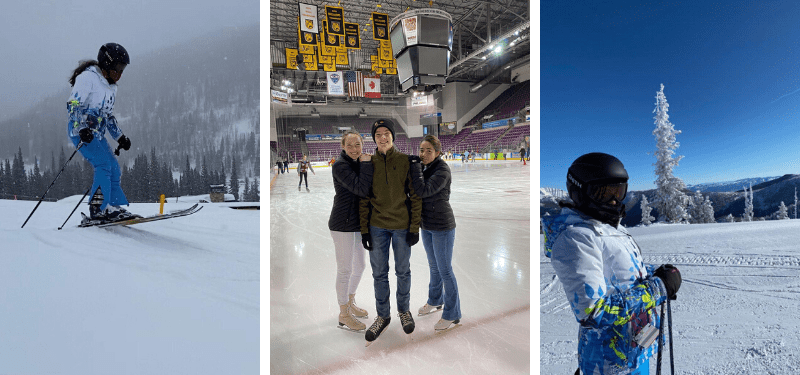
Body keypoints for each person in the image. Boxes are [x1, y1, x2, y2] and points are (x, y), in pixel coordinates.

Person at [541, 153, 682, 375]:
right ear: (581, 192)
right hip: (610, 365)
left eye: (619, 192)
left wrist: (656, 274)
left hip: (635, 349)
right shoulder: (575, 238)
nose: (615, 201)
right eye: (604, 193)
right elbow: (594, 311)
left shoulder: (610, 227)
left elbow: (624, 275)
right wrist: (658, 287)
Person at [359, 119, 422, 344]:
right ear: (374, 138)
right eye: (378, 134)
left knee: (403, 272)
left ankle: (404, 311)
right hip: (377, 226)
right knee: (379, 274)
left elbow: (415, 196)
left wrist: (414, 227)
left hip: (401, 226)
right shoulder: (368, 163)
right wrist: (365, 230)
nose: (383, 137)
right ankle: (383, 316)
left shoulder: (405, 161)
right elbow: (364, 198)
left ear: (393, 136)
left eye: (386, 133)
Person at [67, 43, 138, 223]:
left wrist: (120, 137)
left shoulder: (111, 87)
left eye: (123, 69)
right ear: (107, 64)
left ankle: (112, 207)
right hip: (80, 132)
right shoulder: (87, 78)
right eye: (118, 68)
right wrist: (81, 127)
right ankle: (98, 208)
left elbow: (108, 116)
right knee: (103, 165)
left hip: (96, 134)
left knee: (113, 167)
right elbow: (73, 105)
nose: (120, 73)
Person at [409, 135, 461, 332]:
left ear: (438, 152)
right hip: (427, 225)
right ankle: (434, 300)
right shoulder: (425, 167)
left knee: (445, 270)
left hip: (442, 226)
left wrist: (414, 168)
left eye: (428, 151)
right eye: (421, 150)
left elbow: (423, 190)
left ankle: (452, 313)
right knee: (434, 267)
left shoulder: (442, 170)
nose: (423, 154)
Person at [329, 130, 374, 332]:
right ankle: (343, 314)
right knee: (345, 269)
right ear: (343, 147)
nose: (355, 149)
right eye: (350, 145)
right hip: (342, 224)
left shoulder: (356, 163)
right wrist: (366, 164)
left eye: (358, 145)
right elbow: (361, 189)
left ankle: (349, 301)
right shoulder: (340, 166)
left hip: (356, 224)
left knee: (361, 266)